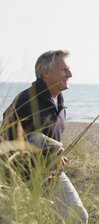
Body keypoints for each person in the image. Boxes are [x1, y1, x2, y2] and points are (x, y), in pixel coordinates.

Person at [1, 50, 88, 223]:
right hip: (23, 177)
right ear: (46, 72)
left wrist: (55, 156)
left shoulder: (59, 101)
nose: (70, 74)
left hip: (52, 173)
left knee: (78, 217)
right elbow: (9, 139)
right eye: (64, 70)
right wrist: (50, 153)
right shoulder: (26, 100)